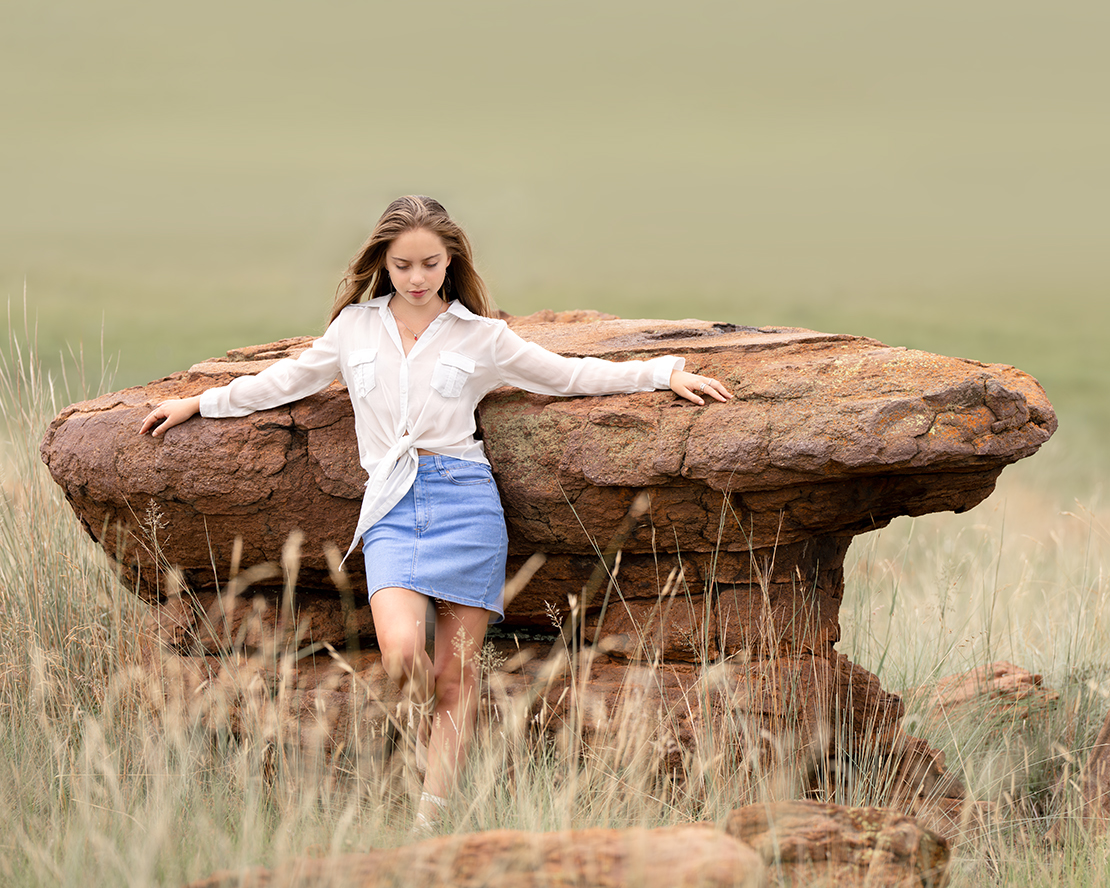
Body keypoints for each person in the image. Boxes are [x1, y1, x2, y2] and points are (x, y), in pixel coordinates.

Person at [139, 195, 732, 832]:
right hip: (391, 504)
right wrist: (201, 403)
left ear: (451, 262)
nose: (417, 278)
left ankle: (433, 814)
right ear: (382, 263)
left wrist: (663, 372)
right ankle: (410, 754)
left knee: (456, 675)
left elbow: (567, 376)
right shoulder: (355, 327)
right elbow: (286, 380)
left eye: (429, 264)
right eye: (402, 266)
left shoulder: (482, 336)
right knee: (400, 654)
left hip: (466, 502)